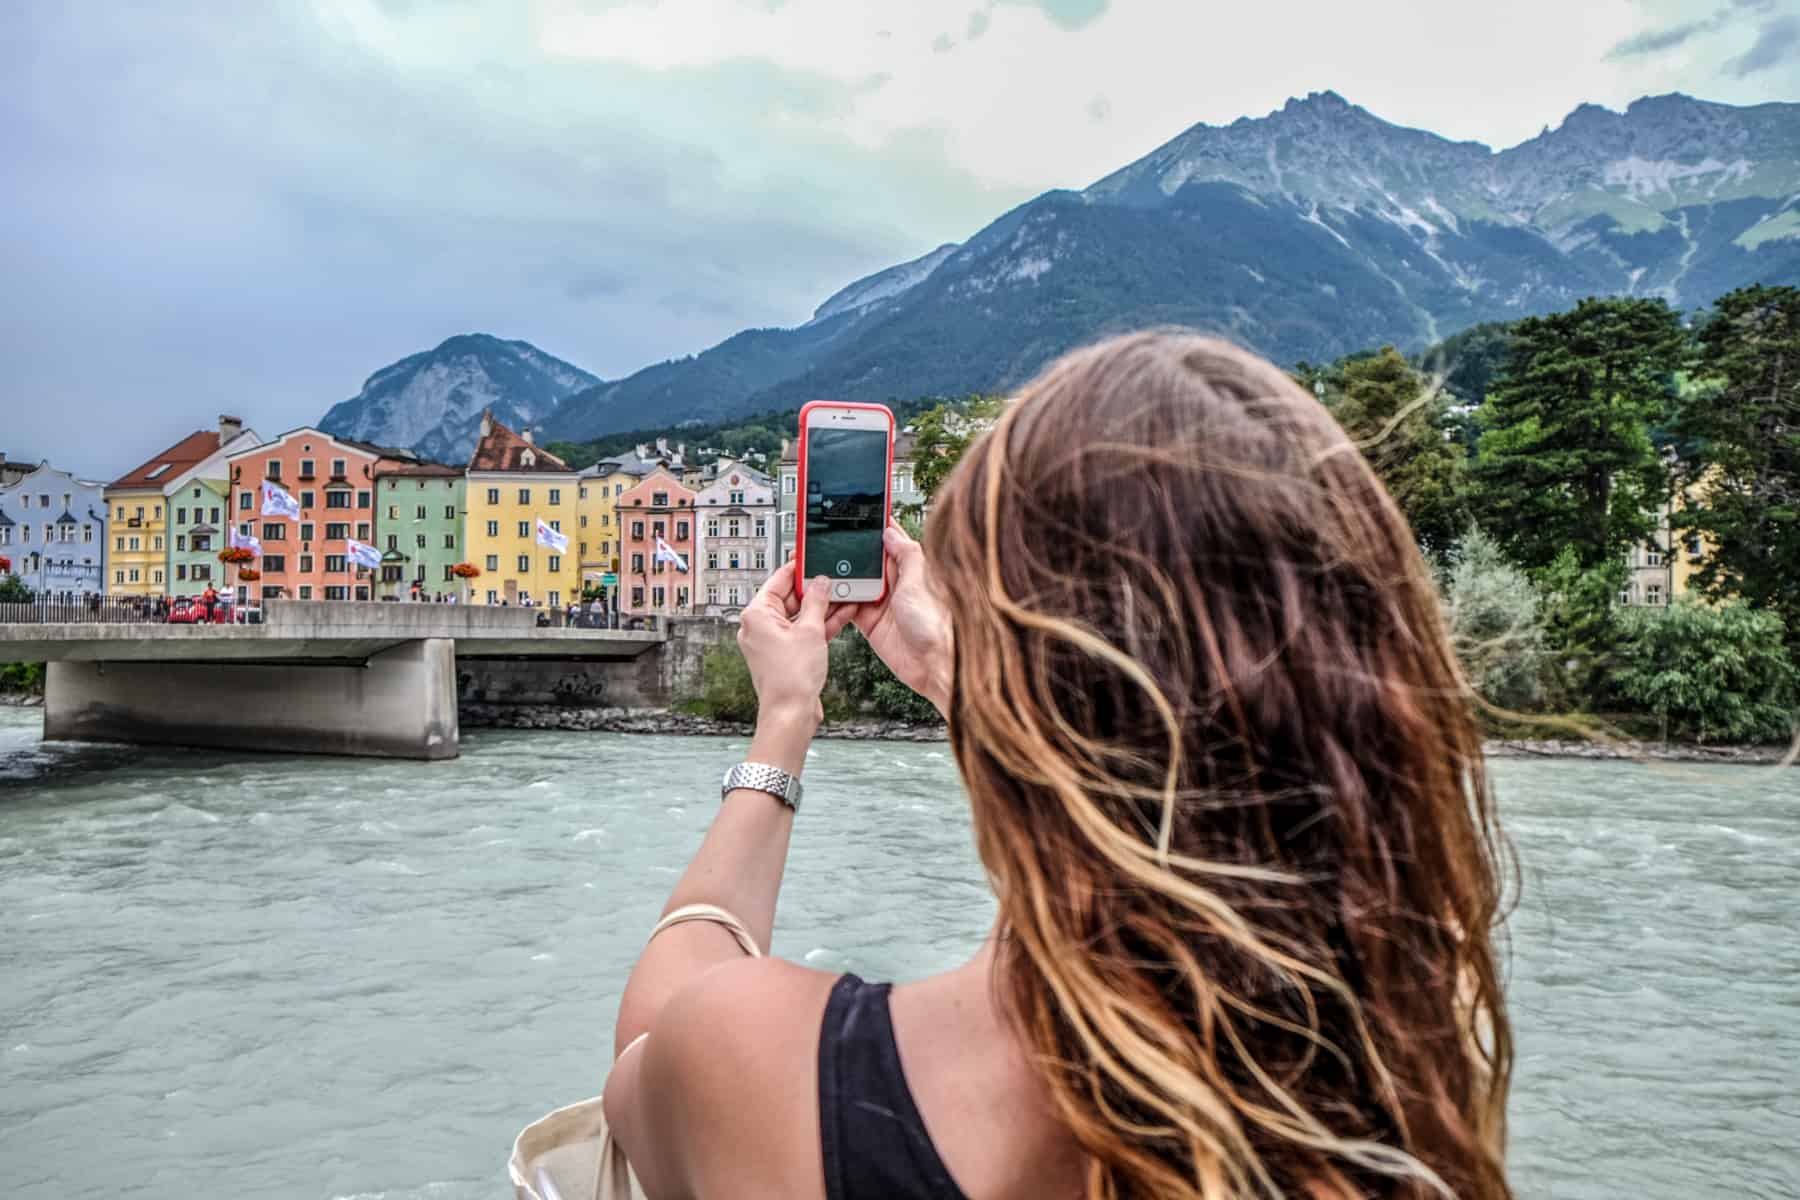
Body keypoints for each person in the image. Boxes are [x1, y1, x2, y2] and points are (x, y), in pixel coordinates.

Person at [599, 333, 1513, 1200]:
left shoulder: (766, 1068)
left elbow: (653, 1042)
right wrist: (978, 682)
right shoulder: (1395, 1111)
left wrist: (787, 717)